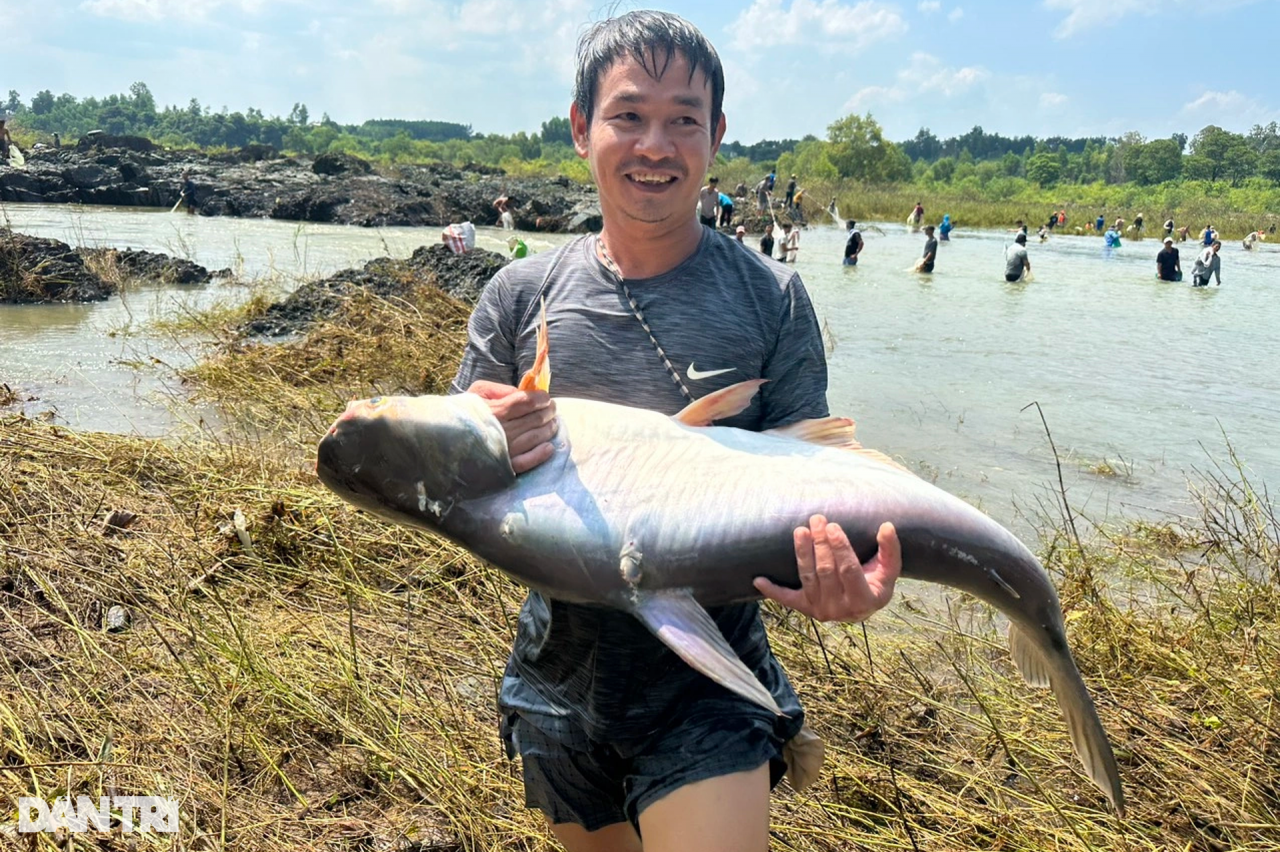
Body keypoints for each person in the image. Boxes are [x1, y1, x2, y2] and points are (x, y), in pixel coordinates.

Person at [448, 13, 902, 852]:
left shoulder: (774, 299)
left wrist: (850, 580)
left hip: (711, 681)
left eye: (683, 119)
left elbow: (815, 476)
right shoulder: (517, 298)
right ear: (581, 127)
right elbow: (459, 494)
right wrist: (482, 445)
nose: (655, 144)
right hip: (558, 679)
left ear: (716, 135)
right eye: (628, 116)